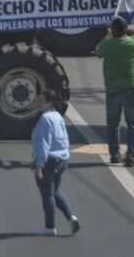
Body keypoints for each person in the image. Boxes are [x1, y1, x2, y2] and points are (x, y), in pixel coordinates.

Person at [95, 17, 134, 166]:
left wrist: (108, 35)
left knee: (113, 124)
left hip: (113, 89)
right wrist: (125, 30)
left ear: (113, 30)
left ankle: (114, 155)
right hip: (132, 88)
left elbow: (97, 52)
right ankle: (132, 156)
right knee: (133, 123)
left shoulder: (108, 45)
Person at [31, 89, 80, 236]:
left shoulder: (45, 119)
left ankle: (49, 227)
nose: (37, 104)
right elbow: (63, 139)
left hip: (49, 160)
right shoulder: (57, 116)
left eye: (41, 101)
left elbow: (44, 144)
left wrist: (39, 165)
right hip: (62, 159)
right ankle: (71, 216)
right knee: (55, 191)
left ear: (49, 103)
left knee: (47, 195)